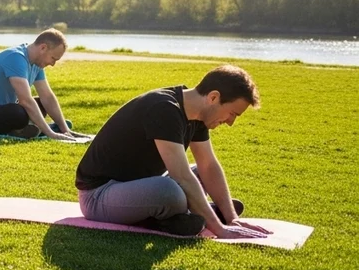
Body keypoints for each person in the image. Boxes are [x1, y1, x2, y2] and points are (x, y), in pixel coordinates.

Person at [75, 65, 272, 239]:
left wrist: (232, 219)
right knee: (170, 191)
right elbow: (181, 177)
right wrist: (219, 229)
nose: (230, 122)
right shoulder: (164, 109)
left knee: (197, 173)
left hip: (135, 188)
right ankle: (189, 215)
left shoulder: (198, 116)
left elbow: (208, 165)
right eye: (232, 113)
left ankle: (189, 217)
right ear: (213, 97)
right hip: (99, 196)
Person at [0, 29, 88, 140]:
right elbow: (25, 100)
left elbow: (47, 97)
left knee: (41, 104)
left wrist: (65, 129)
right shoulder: (16, 57)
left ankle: (30, 129)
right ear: (43, 48)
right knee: (18, 113)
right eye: (53, 58)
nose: (53, 64)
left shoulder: (36, 64)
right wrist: (51, 134)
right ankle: (38, 129)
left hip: (1, 111)